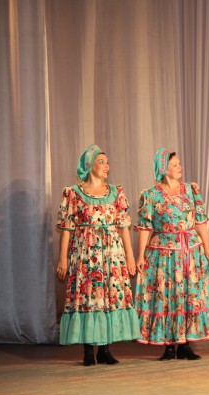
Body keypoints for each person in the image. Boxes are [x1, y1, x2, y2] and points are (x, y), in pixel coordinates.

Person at [134, 147, 209, 360]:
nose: (179, 167)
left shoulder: (191, 190)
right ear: (163, 168)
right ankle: (168, 345)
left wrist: (207, 246)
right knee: (166, 297)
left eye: (179, 163)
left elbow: (199, 220)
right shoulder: (151, 195)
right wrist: (140, 255)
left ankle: (185, 344)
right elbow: (145, 227)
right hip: (163, 253)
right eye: (174, 164)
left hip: (189, 251)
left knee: (188, 295)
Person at [55, 144, 140, 366]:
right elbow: (67, 227)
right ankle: (87, 350)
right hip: (86, 254)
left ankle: (104, 349)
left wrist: (130, 256)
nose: (106, 166)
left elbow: (123, 226)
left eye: (107, 162)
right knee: (88, 298)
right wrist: (63, 258)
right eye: (101, 162)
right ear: (89, 166)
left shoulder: (116, 192)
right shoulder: (73, 193)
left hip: (112, 254)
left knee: (109, 297)